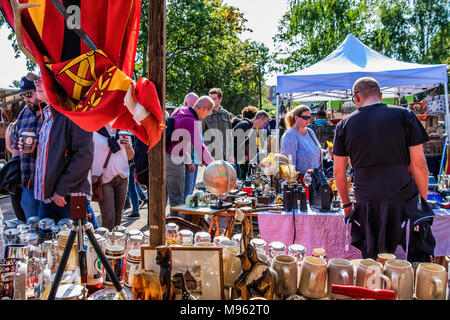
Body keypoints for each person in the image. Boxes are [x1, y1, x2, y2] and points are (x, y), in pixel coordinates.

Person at [332, 77, 434, 262]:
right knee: (411, 260)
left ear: (356, 98)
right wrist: (422, 202)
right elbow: (419, 164)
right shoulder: (405, 115)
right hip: (402, 197)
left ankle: (374, 289)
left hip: (367, 198)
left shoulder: (344, 125)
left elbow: (339, 171)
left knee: (372, 261)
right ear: (380, 96)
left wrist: (347, 205)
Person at [21, 72, 95, 224]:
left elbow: (84, 155)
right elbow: (57, 155)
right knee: (47, 245)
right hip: (49, 198)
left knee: (81, 246)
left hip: (69, 198)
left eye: (41, 79)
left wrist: (62, 188)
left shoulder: (74, 111)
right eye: (36, 80)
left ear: (58, 83)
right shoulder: (48, 114)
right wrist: (34, 151)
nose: (36, 84)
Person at [166, 96, 215, 216]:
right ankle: (176, 230)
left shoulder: (179, 111)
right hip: (174, 159)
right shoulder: (191, 120)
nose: (207, 116)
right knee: (177, 200)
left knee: (169, 196)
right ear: (204, 109)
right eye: (208, 112)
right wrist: (215, 166)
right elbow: (200, 147)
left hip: (167, 156)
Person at [10, 76, 43, 219]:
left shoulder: (52, 112)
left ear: (40, 90)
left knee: (52, 230)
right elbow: (15, 147)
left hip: (49, 185)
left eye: (29, 94)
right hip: (28, 184)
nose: (25, 99)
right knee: (32, 230)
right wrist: (14, 175)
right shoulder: (23, 114)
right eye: (22, 95)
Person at [92, 126, 135, 229]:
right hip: (103, 179)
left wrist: (128, 146)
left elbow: (130, 157)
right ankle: (106, 244)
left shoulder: (124, 131)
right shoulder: (95, 131)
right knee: (108, 219)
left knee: (118, 218)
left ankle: (116, 242)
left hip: (122, 177)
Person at [280, 105, 326, 184]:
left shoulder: (309, 131)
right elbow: (289, 163)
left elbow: (314, 150)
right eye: (305, 118)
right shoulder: (290, 135)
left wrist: (326, 152)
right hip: (301, 181)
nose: (308, 120)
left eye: (309, 117)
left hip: (316, 178)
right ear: (296, 118)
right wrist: (293, 182)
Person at [233, 108, 270, 179]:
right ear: (259, 120)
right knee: (236, 175)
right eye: (264, 123)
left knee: (239, 175)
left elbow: (246, 144)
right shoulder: (244, 124)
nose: (265, 125)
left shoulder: (253, 129)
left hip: (237, 156)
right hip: (230, 155)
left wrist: (247, 155)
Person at [203, 88, 233, 162]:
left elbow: (230, 136)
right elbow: (199, 135)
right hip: (212, 156)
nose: (211, 101)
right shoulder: (205, 114)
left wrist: (231, 155)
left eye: (214, 99)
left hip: (226, 155)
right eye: (210, 99)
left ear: (220, 99)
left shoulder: (226, 114)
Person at [182, 93, 200, 201]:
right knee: (186, 193)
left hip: (195, 159)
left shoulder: (195, 118)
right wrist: (189, 161)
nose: (196, 109)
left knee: (191, 190)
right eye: (193, 106)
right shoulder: (183, 116)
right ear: (185, 104)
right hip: (187, 161)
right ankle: (182, 217)